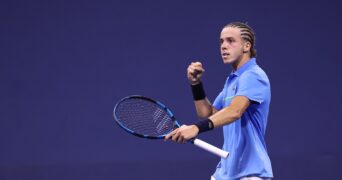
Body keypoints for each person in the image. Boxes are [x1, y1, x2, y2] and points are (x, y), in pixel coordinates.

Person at [165, 22, 273, 180]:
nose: (223, 46)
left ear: (246, 46)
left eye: (230, 40)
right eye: (221, 41)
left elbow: (234, 111)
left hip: (250, 173)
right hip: (225, 173)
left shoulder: (253, 75)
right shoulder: (232, 81)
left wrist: (196, 128)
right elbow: (207, 113)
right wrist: (196, 84)